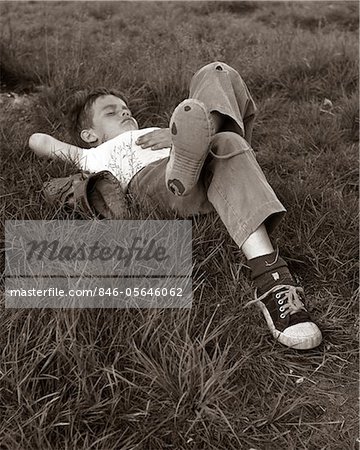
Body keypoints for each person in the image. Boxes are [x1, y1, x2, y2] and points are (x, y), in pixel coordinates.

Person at [29, 62, 322, 350]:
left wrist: (174, 136)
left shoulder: (164, 130)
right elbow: (38, 140)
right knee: (217, 147)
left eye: (126, 109)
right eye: (111, 112)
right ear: (90, 135)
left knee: (217, 75)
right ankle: (272, 278)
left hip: (203, 160)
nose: (124, 113)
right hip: (151, 182)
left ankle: (203, 140)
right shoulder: (91, 155)